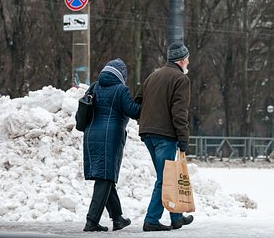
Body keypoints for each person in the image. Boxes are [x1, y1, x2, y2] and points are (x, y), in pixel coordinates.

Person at [135, 42, 194, 232]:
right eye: (188, 59)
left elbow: (138, 101)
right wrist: (183, 138)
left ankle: (176, 217)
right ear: (183, 60)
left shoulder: (153, 76)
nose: (188, 63)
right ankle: (151, 220)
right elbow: (179, 113)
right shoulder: (180, 79)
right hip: (165, 136)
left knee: (167, 175)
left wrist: (146, 120)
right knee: (165, 178)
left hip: (148, 133)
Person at [82, 58, 141, 232]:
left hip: (91, 135)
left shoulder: (94, 86)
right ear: (122, 74)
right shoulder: (121, 89)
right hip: (110, 136)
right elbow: (133, 110)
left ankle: (117, 218)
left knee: (105, 177)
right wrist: (144, 101)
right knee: (105, 178)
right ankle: (91, 221)